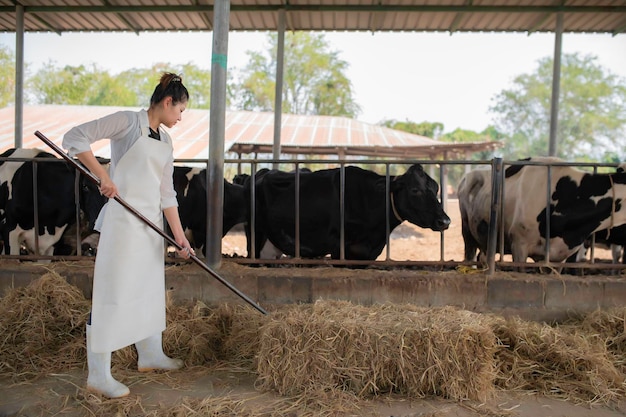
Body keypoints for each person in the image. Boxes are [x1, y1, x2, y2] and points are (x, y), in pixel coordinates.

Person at [63, 72, 195, 398]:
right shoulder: (127, 122)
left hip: (150, 228)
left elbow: (167, 195)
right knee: (113, 293)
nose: (180, 117)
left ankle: (150, 355)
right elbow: (75, 137)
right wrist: (103, 175)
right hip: (122, 224)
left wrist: (179, 237)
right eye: (180, 110)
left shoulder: (165, 141)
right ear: (167, 103)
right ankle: (98, 375)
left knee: (148, 291)